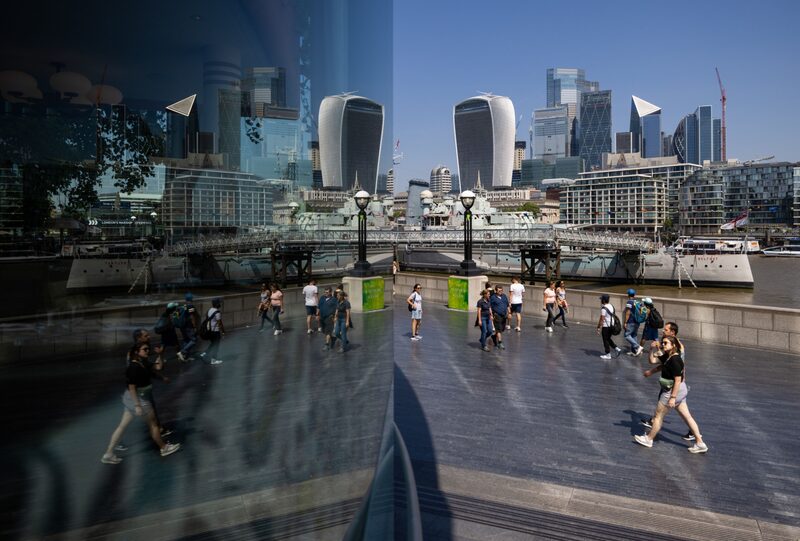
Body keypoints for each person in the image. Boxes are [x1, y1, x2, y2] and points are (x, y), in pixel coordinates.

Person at [101, 342, 181, 464]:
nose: (148, 351)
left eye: (148, 349)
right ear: (137, 352)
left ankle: (108, 454)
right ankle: (164, 448)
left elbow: (158, 367)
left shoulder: (143, 362)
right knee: (153, 425)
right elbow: (132, 387)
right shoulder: (134, 367)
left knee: (122, 426)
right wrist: (137, 405)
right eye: (145, 349)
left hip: (132, 399)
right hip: (140, 399)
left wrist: (160, 355)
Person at [634, 335, 708, 454]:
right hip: (680, 391)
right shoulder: (668, 356)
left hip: (672, 391)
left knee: (658, 416)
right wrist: (652, 349)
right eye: (662, 342)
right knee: (687, 416)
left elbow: (677, 380)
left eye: (666, 343)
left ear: (673, 345)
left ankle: (648, 439)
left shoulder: (675, 360)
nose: (663, 345)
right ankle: (700, 443)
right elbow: (653, 361)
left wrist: (673, 398)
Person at [640, 322, 696, 441]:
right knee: (685, 414)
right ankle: (697, 437)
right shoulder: (667, 345)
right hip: (674, 384)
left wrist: (673, 397)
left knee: (660, 413)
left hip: (673, 385)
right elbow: (661, 362)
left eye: (666, 330)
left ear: (672, 332)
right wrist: (654, 350)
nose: (663, 331)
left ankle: (650, 436)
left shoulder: (677, 348)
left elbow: (674, 368)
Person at [596, 294, 622, 359]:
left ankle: (608, 354)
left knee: (605, 340)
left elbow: (602, 319)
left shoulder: (604, 308)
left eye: (601, 299)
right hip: (612, 325)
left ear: (603, 300)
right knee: (608, 339)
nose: (601, 301)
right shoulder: (611, 306)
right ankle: (617, 348)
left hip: (606, 326)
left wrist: (599, 327)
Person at [200, 298, 224, 365]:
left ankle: (205, 353)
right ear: (217, 304)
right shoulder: (217, 312)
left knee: (213, 344)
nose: (220, 304)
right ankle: (213, 360)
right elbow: (219, 323)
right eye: (219, 303)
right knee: (216, 345)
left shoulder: (209, 310)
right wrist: (223, 331)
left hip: (209, 331)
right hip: (215, 331)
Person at [176, 292, 198, 362]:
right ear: (191, 299)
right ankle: (182, 352)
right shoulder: (190, 306)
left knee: (186, 340)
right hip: (188, 327)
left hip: (182, 326)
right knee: (193, 340)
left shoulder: (183, 306)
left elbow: (177, 315)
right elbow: (192, 316)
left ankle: (185, 357)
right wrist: (194, 326)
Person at [623, 288, 644, 356]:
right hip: (637, 321)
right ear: (634, 295)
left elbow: (628, 312)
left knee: (627, 335)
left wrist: (625, 322)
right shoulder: (638, 302)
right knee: (634, 335)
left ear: (628, 295)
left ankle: (637, 347)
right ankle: (634, 351)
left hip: (631, 321)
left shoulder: (629, 302)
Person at [490, 285, 510, 350]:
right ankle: (500, 343)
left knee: (502, 329)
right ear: (496, 291)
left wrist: (509, 313)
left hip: (504, 315)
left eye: (501, 290)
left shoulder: (504, 296)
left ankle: (494, 336)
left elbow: (507, 305)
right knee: (498, 329)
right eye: (499, 291)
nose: (500, 292)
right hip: (497, 315)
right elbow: (489, 306)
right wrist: (491, 315)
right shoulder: (493, 297)